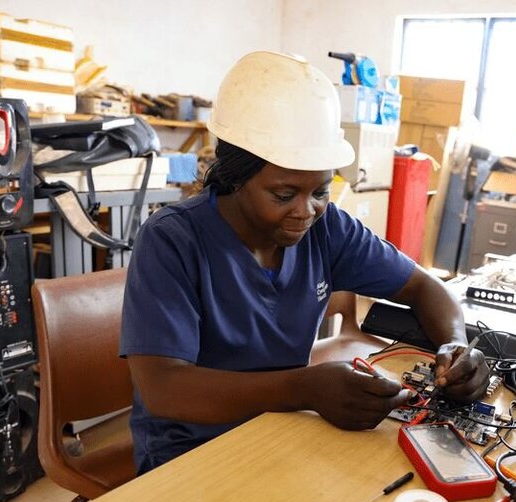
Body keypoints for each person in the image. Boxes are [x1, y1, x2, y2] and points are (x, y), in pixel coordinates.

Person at [120, 51, 490, 475]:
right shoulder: (173, 240)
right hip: (187, 453)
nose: (307, 211)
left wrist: (455, 344)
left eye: (320, 190)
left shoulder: (327, 229)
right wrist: (302, 389)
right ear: (236, 177)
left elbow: (426, 287)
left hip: (283, 427)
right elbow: (164, 388)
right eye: (283, 195)